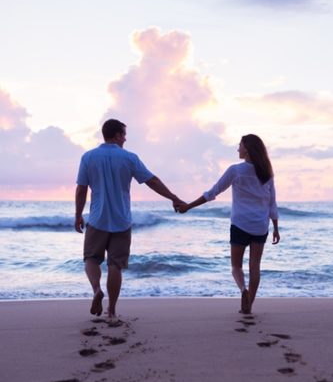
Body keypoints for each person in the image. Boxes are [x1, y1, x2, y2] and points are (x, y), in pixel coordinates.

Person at [75, 119, 184, 318]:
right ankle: (112, 310)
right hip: (122, 221)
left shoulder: (88, 157)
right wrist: (173, 197)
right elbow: (152, 181)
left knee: (91, 259)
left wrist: (78, 215)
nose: (125, 138)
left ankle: (97, 290)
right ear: (116, 135)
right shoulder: (129, 158)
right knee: (115, 265)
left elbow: (81, 189)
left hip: (97, 219)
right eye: (124, 135)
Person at [177, 134, 280, 314]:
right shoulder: (266, 173)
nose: (237, 149)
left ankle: (243, 290)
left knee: (236, 267)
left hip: (240, 223)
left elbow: (212, 193)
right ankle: (250, 305)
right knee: (255, 266)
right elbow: (272, 203)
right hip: (260, 226)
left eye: (239, 145)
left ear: (247, 148)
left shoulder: (235, 170)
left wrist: (189, 206)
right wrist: (276, 228)